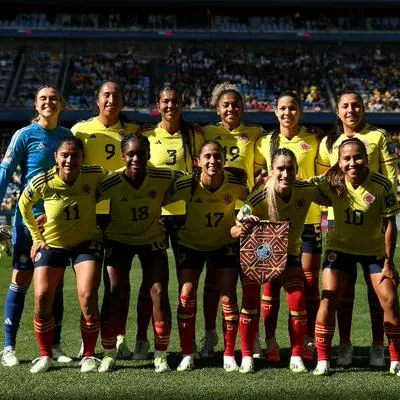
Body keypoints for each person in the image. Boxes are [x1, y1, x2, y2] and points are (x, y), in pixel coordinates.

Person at [316, 90, 398, 367]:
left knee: (379, 295)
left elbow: (389, 179)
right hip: (341, 223)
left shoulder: (379, 136)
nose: (351, 110)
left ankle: (378, 345)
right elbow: (325, 183)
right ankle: (345, 344)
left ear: (364, 108)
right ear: (337, 111)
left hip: (373, 221)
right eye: (345, 106)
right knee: (343, 293)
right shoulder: (329, 142)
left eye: (356, 105)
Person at [231, 148, 328, 374]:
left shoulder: (305, 190)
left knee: (298, 299)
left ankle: (296, 354)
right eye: (280, 169)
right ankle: (248, 354)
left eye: (290, 169)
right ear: (271, 171)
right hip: (261, 259)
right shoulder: (259, 197)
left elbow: (331, 198)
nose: (286, 174)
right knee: (251, 299)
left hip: (290, 256)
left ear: (296, 170)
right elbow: (234, 230)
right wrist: (244, 225)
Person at [18, 136, 106, 373]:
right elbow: (23, 205)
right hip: (52, 245)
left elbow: (117, 186)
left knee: (87, 296)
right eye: (64, 155)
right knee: (43, 296)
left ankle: (88, 355)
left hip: (85, 244)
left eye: (74, 155)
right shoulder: (43, 180)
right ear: (56, 158)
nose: (69, 159)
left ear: (82, 157)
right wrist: (37, 237)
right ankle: (45, 355)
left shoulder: (94, 173)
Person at [0, 85, 73, 367]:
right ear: (35, 105)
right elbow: (5, 172)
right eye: (43, 98)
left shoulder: (68, 137)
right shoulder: (24, 135)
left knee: (55, 283)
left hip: (57, 223)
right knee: (21, 279)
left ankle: (54, 346)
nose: (48, 102)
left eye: (54, 98)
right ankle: (8, 347)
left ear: (61, 104)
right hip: (26, 220)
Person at [134, 85, 204, 360]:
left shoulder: (195, 135)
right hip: (158, 219)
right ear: (158, 105)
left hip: (188, 218)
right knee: (151, 284)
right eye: (165, 101)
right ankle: (142, 339)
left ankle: (189, 343)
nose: (170, 106)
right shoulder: (148, 135)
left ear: (182, 104)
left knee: (188, 285)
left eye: (175, 101)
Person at [71, 81, 140, 359]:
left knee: (117, 284)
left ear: (123, 100)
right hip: (90, 215)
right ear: (97, 100)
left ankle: (118, 336)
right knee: (88, 284)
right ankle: (87, 337)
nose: (112, 99)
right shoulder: (81, 130)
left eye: (116, 95)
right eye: (106, 95)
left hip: (123, 214)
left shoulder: (132, 132)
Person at [97, 134, 176, 373]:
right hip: (119, 240)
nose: (136, 158)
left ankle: (160, 354)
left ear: (149, 155)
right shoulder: (108, 182)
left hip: (151, 239)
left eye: (141, 153)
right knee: (113, 292)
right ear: (122, 156)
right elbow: (86, 198)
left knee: (159, 292)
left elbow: (188, 181)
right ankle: (109, 353)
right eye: (130, 154)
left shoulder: (164, 176)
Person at [254, 92, 322, 362]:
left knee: (309, 285)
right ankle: (270, 342)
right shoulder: (264, 143)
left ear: (301, 111)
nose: (287, 113)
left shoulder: (316, 140)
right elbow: (258, 180)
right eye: (282, 108)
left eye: (293, 108)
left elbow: (325, 177)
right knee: (270, 287)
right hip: (274, 224)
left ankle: (309, 340)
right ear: (275, 112)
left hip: (309, 219)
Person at [169, 140, 247, 371]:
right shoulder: (183, 185)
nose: (213, 161)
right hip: (190, 244)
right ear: (198, 161)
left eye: (217, 156)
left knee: (228, 297)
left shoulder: (237, 186)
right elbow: (164, 207)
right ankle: (187, 353)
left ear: (224, 159)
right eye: (208, 157)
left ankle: (229, 354)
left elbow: (238, 221)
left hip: (223, 244)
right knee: (187, 293)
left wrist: (240, 229)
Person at [201, 82, 264, 358]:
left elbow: (262, 172)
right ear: (217, 109)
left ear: (243, 108)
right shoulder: (207, 133)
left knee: (250, 277)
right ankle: (211, 334)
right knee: (214, 279)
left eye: (235, 104)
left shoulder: (256, 134)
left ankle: (254, 337)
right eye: (225, 105)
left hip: (247, 212)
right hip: (215, 212)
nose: (231, 108)